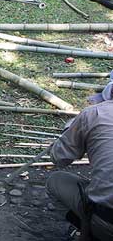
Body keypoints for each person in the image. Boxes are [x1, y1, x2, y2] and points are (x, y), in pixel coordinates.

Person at [46, 100, 113, 241]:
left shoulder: (94, 113)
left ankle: (87, 233)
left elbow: (58, 158)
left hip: (107, 222)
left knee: (56, 181)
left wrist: (69, 131)